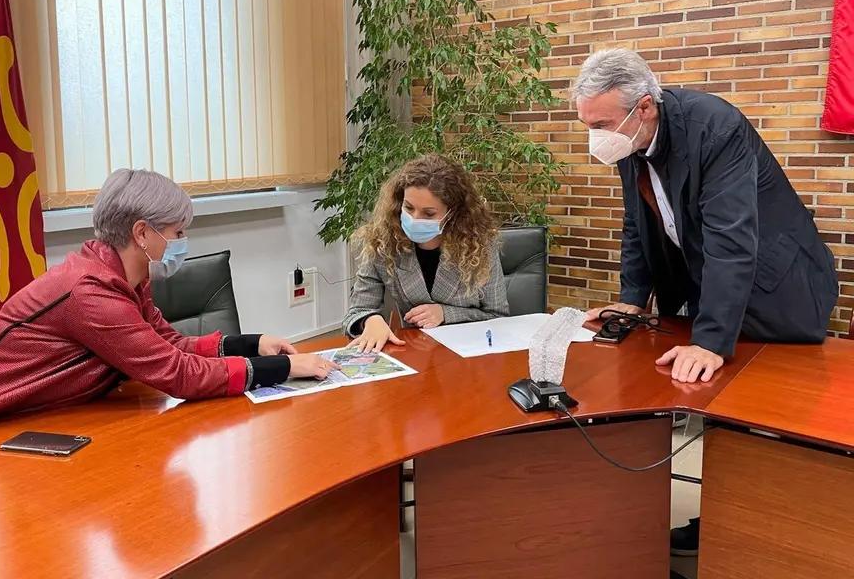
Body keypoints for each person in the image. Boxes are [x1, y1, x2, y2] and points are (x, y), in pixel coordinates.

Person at [574, 48, 838, 556]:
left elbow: (732, 239)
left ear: (644, 106)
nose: (595, 137)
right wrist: (631, 300)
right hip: (715, 284)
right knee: (718, 404)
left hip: (774, 284)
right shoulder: (630, 141)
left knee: (776, 413)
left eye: (602, 123)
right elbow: (639, 224)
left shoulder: (714, 126)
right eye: (587, 123)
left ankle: (772, 535)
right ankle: (718, 521)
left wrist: (711, 339)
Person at [0, 169, 334, 444]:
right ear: (142, 233)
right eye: (177, 233)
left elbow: (170, 343)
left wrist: (256, 344)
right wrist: (284, 370)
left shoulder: (124, 278)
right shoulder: (90, 294)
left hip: (20, 424)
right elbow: (177, 374)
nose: (182, 243)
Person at [344, 154, 509, 353]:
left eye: (429, 213)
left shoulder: (480, 245)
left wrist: (446, 313)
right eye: (409, 207)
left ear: (453, 212)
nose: (414, 218)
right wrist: (370, 320)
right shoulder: (383, 242)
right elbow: (357, 312)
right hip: (414, 352)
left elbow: (498, 317)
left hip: (468, 357)